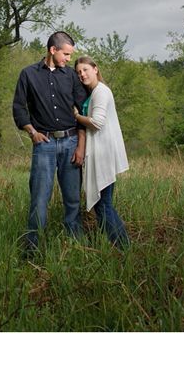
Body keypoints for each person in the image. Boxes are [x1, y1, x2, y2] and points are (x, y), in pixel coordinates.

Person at [12, 30, 88, 254]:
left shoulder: (71, 76)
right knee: (39, 199)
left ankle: (75, 245)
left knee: (73, 198)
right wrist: (31, 131)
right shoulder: (28, 74)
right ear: (52, 50)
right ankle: (32, 249)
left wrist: (81, 146)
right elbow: (18, 106)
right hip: (43, 145)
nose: (69, 59)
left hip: (70, 142)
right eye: (66, 54)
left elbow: (83, 108)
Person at [73, 56, 129, 248]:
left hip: (104, 152)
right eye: (79, 72)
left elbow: (97, 122)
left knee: (103, 205)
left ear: (95, 69)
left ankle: (123, 247)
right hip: (99, 152)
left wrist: (77, 116)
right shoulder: (94, 92)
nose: (82, 74)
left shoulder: (101, 92)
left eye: (85, 70)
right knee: (103, 205)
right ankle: (121, 246)